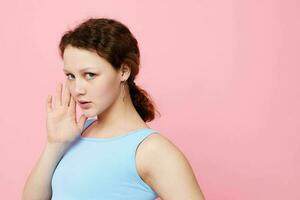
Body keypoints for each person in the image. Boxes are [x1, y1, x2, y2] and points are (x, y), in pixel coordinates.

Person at [22, 17, 206, 200]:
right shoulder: (77, 132)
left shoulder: (151, 151)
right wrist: (55, 144)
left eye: (90, 75)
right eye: (71, 76)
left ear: (123, 71)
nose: (77, 89)